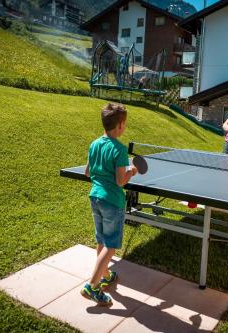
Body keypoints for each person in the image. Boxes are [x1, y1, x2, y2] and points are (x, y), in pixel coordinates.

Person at [81, 103, 138, 306]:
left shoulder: (94, 144)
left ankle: (105, 274)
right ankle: (92, 286)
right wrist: (132, 171)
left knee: (102, 240)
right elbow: (120, 181)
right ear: (120, 125)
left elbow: (87, 172)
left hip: (95, 197)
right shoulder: (120, 149)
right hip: (112, 201)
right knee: (111, 245)